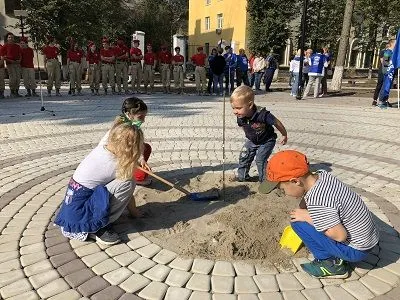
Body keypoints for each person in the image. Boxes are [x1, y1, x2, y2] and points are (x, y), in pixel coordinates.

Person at [260, 150, 379, 279]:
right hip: (369, 238)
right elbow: (308, 198)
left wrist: (308, 216)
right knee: (301, 216)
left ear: (295, 181)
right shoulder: (322, 176)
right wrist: (303, 210)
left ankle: (331, 264)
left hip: (356, 250)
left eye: (282, 189)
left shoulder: (319, 201)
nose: (284, 193)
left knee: (298, 223)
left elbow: (339, 235)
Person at [54, 121, 144, 245]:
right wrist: (135, 213)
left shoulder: (102, 147)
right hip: (80, 217)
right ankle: (97, 226)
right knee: (128, 182)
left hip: (71, 210)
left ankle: (96, 220)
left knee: (123, 180)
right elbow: (128, 190)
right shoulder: (114, 164)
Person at [98, 97, 152, 216]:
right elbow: (125, 168)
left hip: (117, 156)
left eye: (144, 116)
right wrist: (135, 212)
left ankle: (139, 177)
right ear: (129, 114)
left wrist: (141, 158)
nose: (143, 120)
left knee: (145, 147)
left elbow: (138, 144)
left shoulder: (129, 123)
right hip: (110, 162)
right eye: (140, 117)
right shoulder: (123, 131)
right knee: (128, 182)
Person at [230, 85, 288, 182]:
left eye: (238, 108)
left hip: (267, 140)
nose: (235, 111)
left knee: (260, 159)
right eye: (233, 108)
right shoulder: (240, 116)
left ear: (250, 105)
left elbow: (277, 122)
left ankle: (265, 180)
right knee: (244, 156)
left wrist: (284, 134)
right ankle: (243, 177)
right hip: (252, 140)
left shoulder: (263, 114)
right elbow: (243, 127)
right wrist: (250, 136)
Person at [377, 39, 396, 108]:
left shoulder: (393, 53)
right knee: (385, 86)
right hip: (387, 72)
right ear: (392, 44)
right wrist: (386, 73)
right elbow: (385, 63)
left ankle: (385, 100)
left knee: (388, 87)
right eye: (395, 43)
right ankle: (381, 101)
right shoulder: (388, 52)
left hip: (391, 72)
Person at [2, 33, 22, 97]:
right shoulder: (5, 46)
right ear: (7, 38)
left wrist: (19, 60)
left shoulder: (17, 46)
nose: (11, 38)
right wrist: (10, 61)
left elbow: (20, 54)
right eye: (9, 37)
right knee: (13, 78)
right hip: (10, 64)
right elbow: (3, 56)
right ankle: (12, 91)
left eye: (12, 37)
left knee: (18, 78)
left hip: (17, 64)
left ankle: (17, 91)